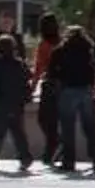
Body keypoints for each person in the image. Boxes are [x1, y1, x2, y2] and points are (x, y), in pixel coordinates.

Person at [50, 24, 95, 176]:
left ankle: (69, 162)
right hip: (86, 90)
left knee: (68, 128)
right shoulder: (89, 50)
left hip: (68, 91)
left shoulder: (60, 51)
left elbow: (52, 73)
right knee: (89, 127)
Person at [0, 32, 34, 173]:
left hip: (1, 102)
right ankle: (25, 158)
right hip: (17, 103)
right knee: (18, 132)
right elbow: (28, 77)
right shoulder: (19, 64)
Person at [32, 14, 63, 166]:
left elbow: (39, 67)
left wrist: (32, 87)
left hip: (50, 84)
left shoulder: (44, 44)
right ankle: (53, 149)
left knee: (44, 119)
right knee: (55, 120)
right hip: (63, 85)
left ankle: (55, 145)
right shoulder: (62, 43)